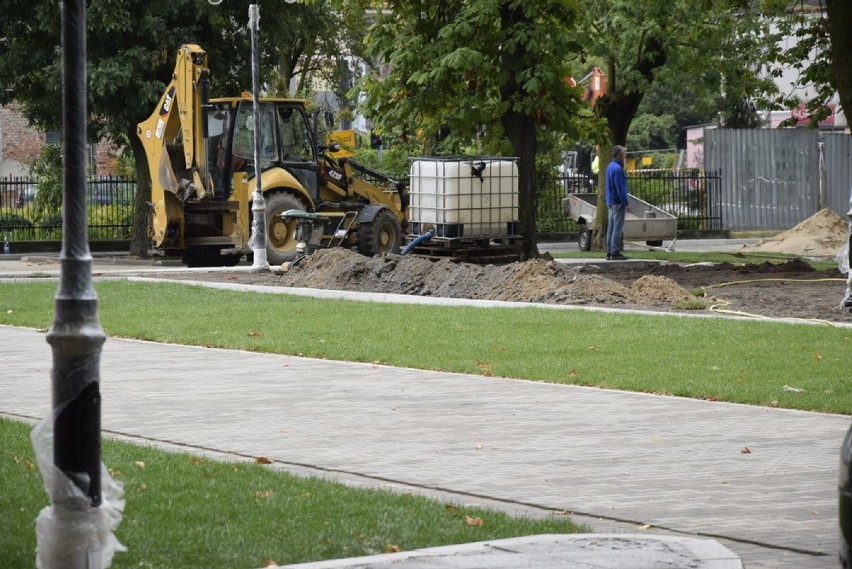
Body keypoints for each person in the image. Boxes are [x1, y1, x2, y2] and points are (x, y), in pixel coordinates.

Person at [605, 145, 630, 260]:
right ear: (619, 155)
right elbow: (620, 189)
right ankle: (615, 251)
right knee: (617, 227)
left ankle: (609, 251)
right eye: (623, 155)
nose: (624, 157)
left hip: (610, 201)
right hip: (618, 202)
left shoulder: (609, 167)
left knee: (610, 227)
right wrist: (626, 203)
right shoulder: (618, 169)